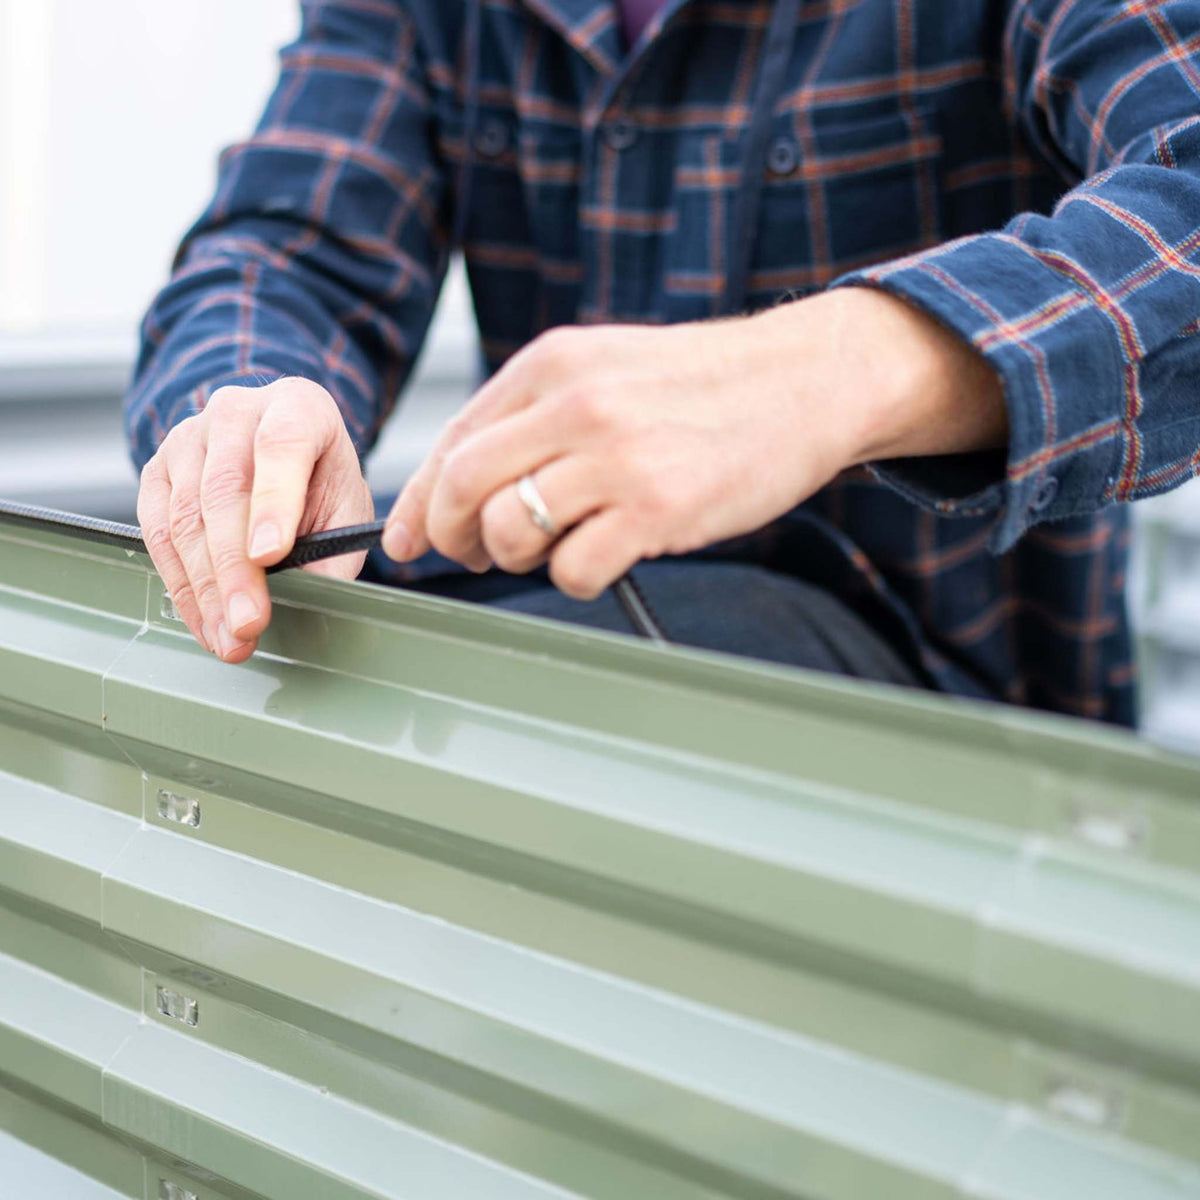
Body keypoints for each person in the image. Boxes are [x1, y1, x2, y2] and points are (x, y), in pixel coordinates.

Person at [127, 0, 1200, 726]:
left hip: (958, 764)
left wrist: (839, 367)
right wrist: (250, 409)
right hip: (548, 679)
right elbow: (288, 246)